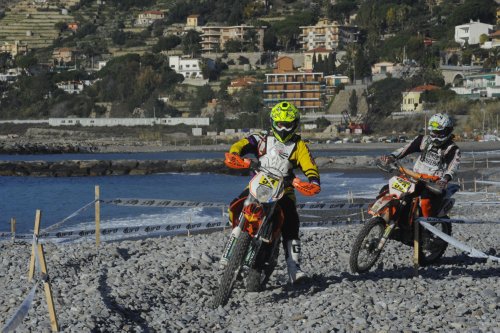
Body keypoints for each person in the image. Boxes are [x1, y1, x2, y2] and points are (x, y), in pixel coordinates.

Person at [227, 101, 321, 284]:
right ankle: (233, 244)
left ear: (295, 124)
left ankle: (294, 268)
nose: (284, 128)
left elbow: (310, 165)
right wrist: (234, 154)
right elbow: (241, 145)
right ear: (272, 122)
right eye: (280, 124)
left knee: (292, 221)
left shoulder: (299, 145)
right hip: (259, 183)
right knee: (235, 204)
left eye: (288, 124)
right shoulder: (260, 138)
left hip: (284, 189)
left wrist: (313, 182)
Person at [380, 113, 461, 217]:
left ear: (448, 131)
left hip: (434, 182)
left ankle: (426, 229)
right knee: (387, 190)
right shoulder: (423, 140)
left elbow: (453, 167)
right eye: (433, 132)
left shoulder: (452, 149)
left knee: (425, 202)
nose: (435, 136)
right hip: (414, 176)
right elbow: (405, 149)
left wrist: (445, 179)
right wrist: (391, 157)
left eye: (439, 132)